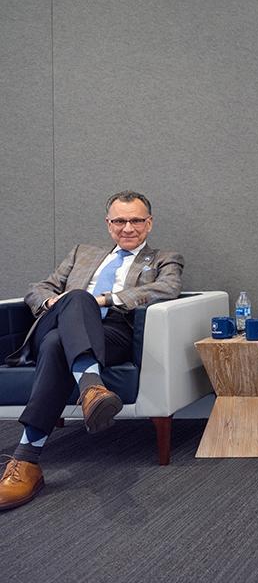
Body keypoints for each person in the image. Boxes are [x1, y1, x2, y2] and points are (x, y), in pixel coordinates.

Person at [0, 190, 183, 511]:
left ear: (149, 223)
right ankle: (92, 388)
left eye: (136, 220)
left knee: (57, 342)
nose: (128, 228)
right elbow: (39, 288)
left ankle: (26, 460)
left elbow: (167, 288)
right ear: (108, 224)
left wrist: (103, 299)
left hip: (112, 332)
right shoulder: (81, 253)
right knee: (75, 301)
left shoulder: (164, 258)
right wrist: (55, 301)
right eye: (120, 221)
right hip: (57, 319)